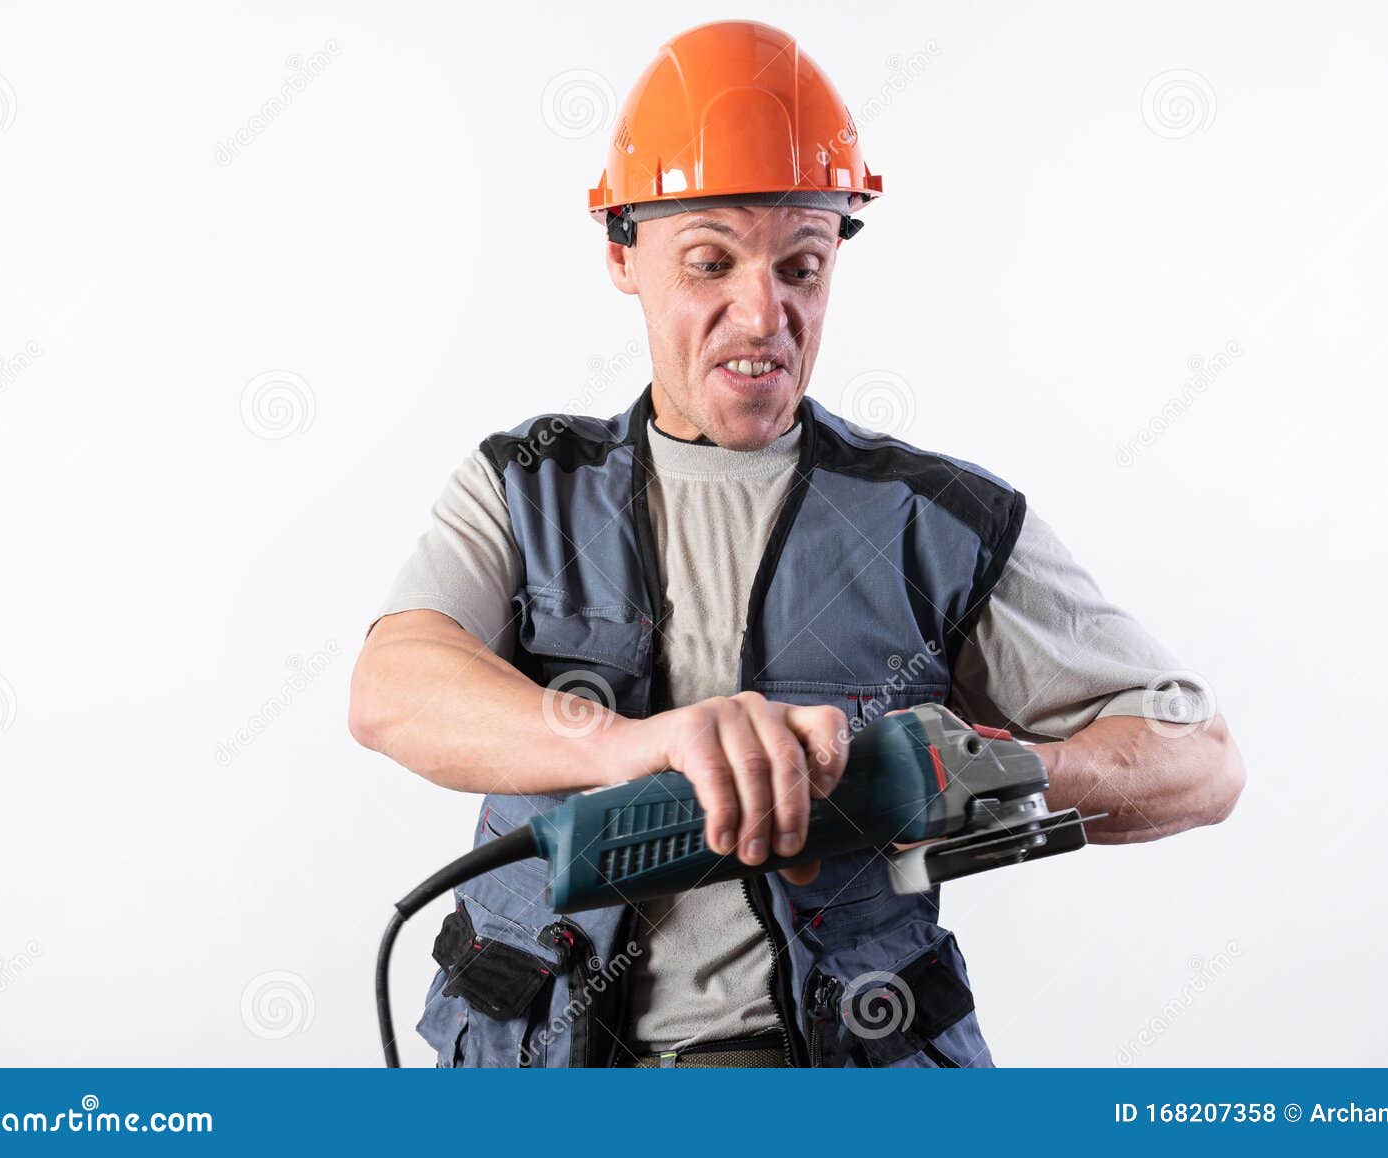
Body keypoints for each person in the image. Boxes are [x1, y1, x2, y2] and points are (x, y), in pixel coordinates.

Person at [349, 19, 1245, 1068]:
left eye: (801, 265)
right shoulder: (528, 486)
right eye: (709, 262)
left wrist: (988, 770)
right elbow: (393, 688)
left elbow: (1203, 762)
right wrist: (642, 746)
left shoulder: (937, 518)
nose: (760, 311)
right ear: (620, 255)